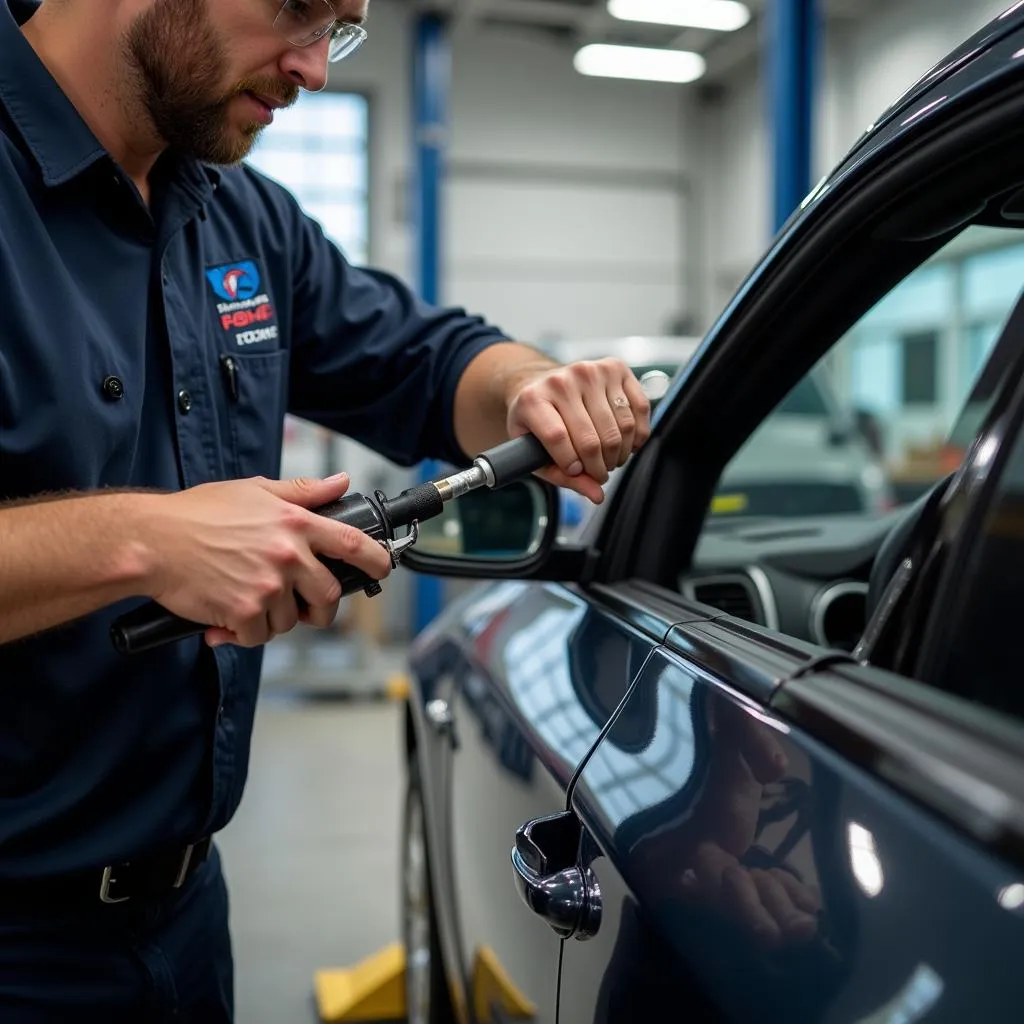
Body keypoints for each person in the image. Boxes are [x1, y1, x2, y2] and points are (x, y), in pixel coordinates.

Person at [0, 0, 652, 1019]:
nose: (316, 68)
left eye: (340, 27)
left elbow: (427, 361)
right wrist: (143, 540)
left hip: (179, 919)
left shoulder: (238, 216)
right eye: (299, 10)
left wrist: (531, 387)